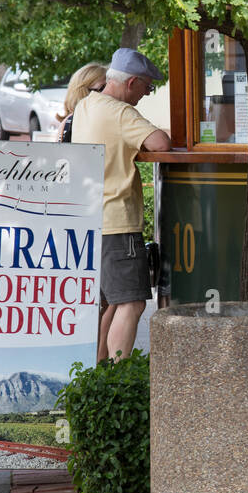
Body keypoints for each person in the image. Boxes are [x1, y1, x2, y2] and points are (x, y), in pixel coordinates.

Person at [73, 48, 170, 361]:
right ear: (131, 83)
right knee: (132, 303)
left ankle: (98, 376)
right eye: (147, 87)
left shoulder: (88, 106)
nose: (146, 94)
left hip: (92, 219)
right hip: (118, 221)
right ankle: (118, 376)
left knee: (109, 305)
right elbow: (160, 144)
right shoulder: (120, 113)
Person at [59, 62, 108, 142]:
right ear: (83, 91)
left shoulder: (67, 122)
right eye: (102, 88)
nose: (109, 92)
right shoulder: (71, 122)